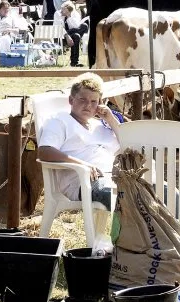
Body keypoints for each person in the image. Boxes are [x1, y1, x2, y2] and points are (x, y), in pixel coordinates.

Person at [36, 72, 121, 209]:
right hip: (83, 181)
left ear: (100, 103)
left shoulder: (99, 126)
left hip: (114, 176)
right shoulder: (60, 121)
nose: (88, 105)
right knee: (123, 197)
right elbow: (44, 151)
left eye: (94, 101)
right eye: (82, 99)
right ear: (71, 100)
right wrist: (84, 165)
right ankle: (126, 230)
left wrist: (111, 120)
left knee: (161, 189)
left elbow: (127, 144)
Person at [58, 2, 89, 67]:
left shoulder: (75, 14)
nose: (63, 11)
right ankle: (74, 62)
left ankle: (74, 63)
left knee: (83, 28)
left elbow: (76, 26)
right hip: (63, 36)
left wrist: (69, 16)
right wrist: (67, 35)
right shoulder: (58, 14)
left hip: (72, 34)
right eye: (63, 9)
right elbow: (58, 28)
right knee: (77, 36)